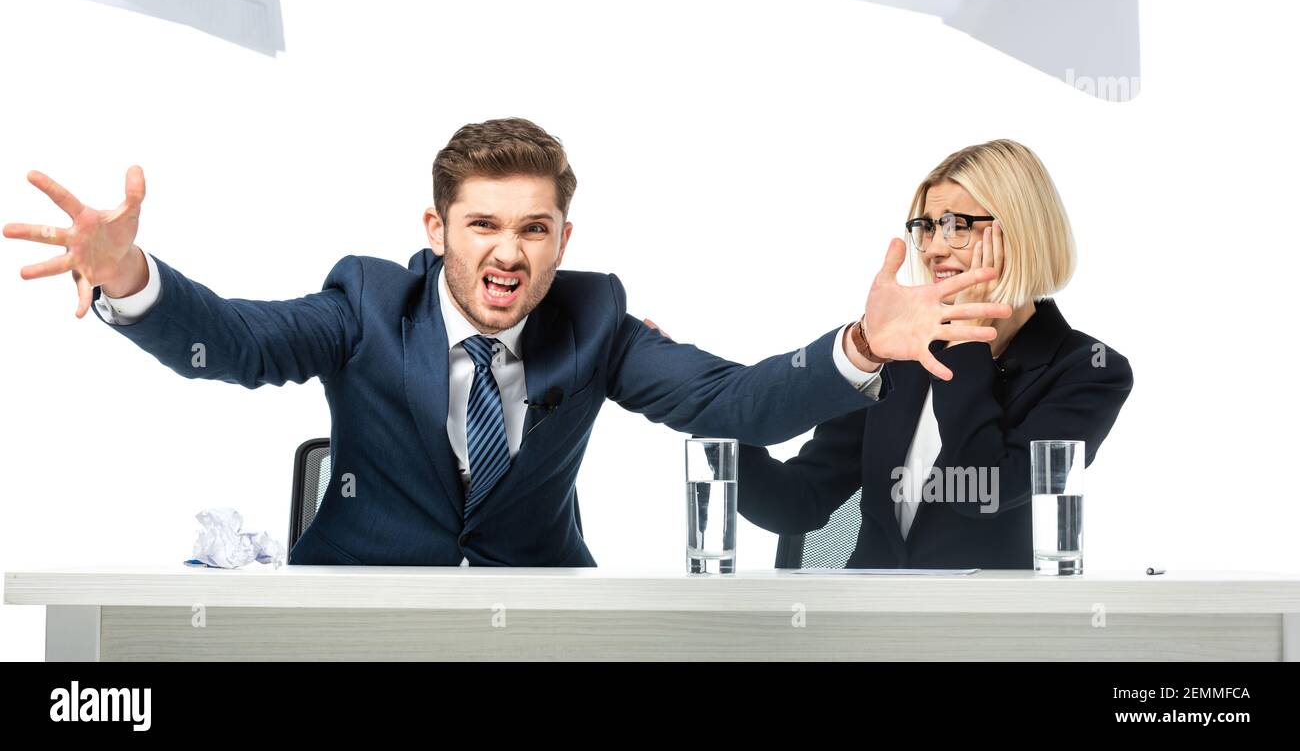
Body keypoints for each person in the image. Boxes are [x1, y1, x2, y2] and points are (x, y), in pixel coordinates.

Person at [4, 118, 1010, 567]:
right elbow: (233, 343)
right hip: (358, 630)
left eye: (533, 228)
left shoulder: (595, 317)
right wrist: (129, 278)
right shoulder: (365, 301)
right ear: (435, 231)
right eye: (482, 224)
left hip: (542, 633)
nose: (508, 252)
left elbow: (733, 402)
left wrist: (861, 348)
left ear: (563, 240)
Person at [730, 139, 1133, 569]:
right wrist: (707, 405)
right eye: (926, 227)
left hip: (985, 626)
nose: (935, 248)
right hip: (866, 620)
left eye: (957, 225)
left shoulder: (1088, 369)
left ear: (1021, 232)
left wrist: (964, 342)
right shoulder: (900, 354)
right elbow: (798, 502)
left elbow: (985, 490)